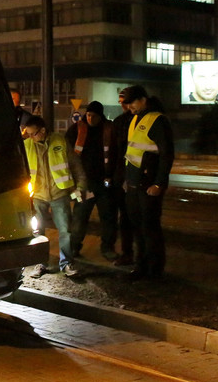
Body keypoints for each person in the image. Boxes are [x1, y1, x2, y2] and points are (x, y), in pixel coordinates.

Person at [22, 115, 87, 278]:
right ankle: (40, 263)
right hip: (37, 195)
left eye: (33, 133)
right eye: (28, 134)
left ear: (43, 130)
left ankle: (66, 263)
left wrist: (81, 186)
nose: (30, 137)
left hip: (59, 193)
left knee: (65, 230)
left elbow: (75, 164)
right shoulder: (27, 145)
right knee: (38, 230)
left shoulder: (60, 141)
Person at [121, 85, 174, 280]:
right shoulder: (135, 119)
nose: (130, 107)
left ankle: (155, 270)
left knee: (150, 229)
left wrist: (159, 183)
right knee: (137, 229)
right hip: (134, 184)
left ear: (143, 100)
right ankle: (140, 266)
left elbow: (166, 155)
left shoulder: (158, 120)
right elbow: (131, 153)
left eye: (133, 102)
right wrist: (127, 180)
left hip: (149, 185)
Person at [66, 101, 118, 261]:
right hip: (85, 184)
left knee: (108, 217)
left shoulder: (109, 129)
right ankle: (74, 247)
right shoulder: (77, 129)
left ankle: (107, 248)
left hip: (105, 183)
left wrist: (113, 176)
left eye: (94, 116)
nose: (90, 118)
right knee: (79, 217)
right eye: (88, 115)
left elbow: (116, 153)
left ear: (100, 116)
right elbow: (67, 152)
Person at [108, 88, 136, 266]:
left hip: (136, 176)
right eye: (120, 102)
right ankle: (127, 252)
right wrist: (111, 176)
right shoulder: (119, 122)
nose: (123, 105)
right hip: (121, 176)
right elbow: (114, 151)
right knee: (124, 217)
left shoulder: (140, 120)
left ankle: (137, 254)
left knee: (135, 218)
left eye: (124, 101)